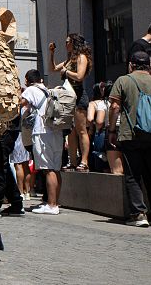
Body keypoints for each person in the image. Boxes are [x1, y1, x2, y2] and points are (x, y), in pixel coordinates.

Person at [108, 51, 151, 227]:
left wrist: (111, 130)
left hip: (130, 135)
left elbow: (114, 107)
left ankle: (139, 214)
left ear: (131, 65)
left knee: (133, 175)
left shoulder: (124, 80)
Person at [22, 69, 63, 215]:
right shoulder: (48, 90)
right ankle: (55, 202)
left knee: (48, 169)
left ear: (27, 80)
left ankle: (51, 206)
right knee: (56, 169)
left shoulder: (31, 89)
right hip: (57, 131)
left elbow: (21, 103)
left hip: (42, 131)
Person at [49, 33, 92, 171]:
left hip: (78, 97)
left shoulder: (81, 57)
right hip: (68, 98)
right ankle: (72, 161)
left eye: (68, 42)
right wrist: (52, 54)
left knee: (81, 130)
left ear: (74, 43)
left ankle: (84, 161)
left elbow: (79, 76)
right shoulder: (69, 59)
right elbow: (53, 69)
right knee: (71, 131)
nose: (66, 44)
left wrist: (66, 72)